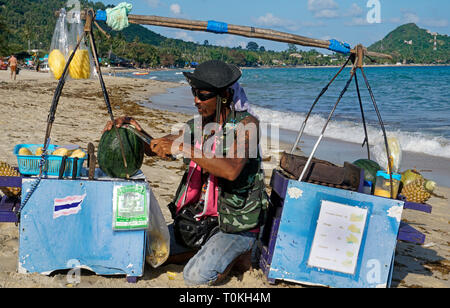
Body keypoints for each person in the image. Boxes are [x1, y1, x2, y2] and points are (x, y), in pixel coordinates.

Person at [104, 60, 269, 286]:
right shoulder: (197, 126)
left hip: (235, 225)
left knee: (195, 277)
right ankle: (205, 248)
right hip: (199, 221)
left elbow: (230, 170)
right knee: (147, 252)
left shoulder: (248, 126)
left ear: (224, 96)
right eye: (194, 93)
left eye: (202, 95)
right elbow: (162, 147)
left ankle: (241, 252)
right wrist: (134, 131)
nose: (196, 100)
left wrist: (184, 147)